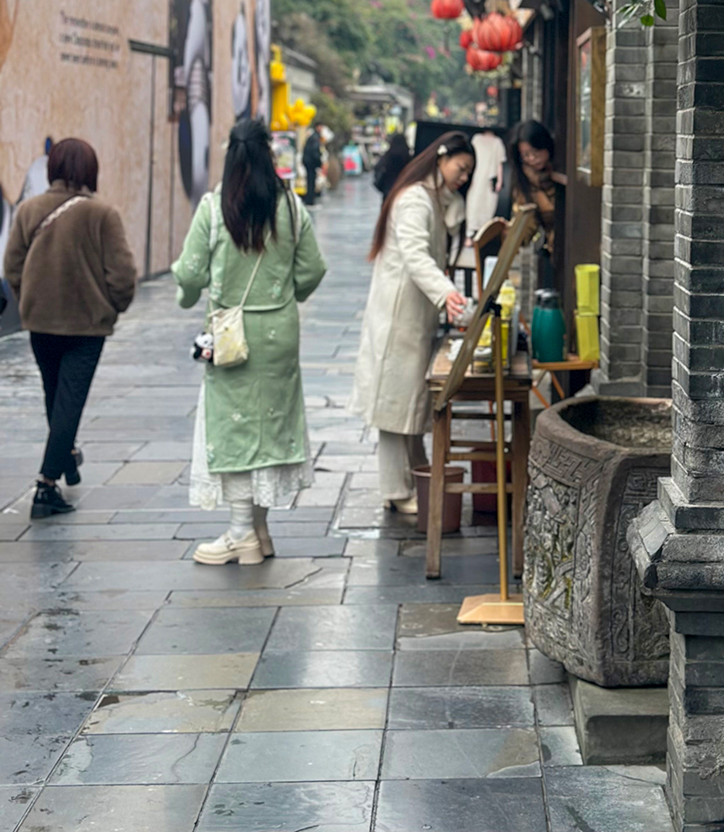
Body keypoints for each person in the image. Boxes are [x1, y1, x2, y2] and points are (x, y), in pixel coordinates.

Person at [172, 119, 327, 565]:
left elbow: (189, 273)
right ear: (268, 156)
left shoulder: (214, 208)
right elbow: (313, 269)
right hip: (279, 333)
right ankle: (260, 531)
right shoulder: (291, 208)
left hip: (230, 336)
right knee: (269, 425)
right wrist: (289, 293)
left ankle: (240, 534)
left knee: (232, 426)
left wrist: (187, 297)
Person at [2, 138, 137, 519]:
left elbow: (12, 266)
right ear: (89, 170)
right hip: (87, 326)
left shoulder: (28, 210)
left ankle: (69, 454)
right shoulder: (103, 215)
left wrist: (29, 300)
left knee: (55, 395)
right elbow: (123, 275)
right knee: (69, 400)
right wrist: (113, 306)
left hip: (40, 323)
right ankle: (46, 485)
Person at [348, 131, 475, 513]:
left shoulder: (430, 197)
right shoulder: (415, 200)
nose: (464, 177)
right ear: (441, 157)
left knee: (407, 405)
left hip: (410, 317)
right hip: (397, 318)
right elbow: (417, 257)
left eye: (469, 172)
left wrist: (452, 193)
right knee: (393, 407)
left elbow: (455, 222)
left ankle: (415, 478)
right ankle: (397, 490)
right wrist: (448, 295)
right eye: (461, 167)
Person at [496, 120, 564, 285]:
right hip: (557, 250)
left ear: (546, 145)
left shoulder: (563, 163)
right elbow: (528, 223)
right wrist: (513, 232)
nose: (532, 159)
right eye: (526, 155)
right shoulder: (525, 182)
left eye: (536, 152)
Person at [372, 133, 411, 206]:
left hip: (388, 193)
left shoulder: (387, 157)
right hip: (405, 193)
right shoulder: (408, 159)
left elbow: (377, 169)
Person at [301, 124, 323, 206]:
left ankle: (309, 200)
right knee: (311, 181)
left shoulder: (313, 137)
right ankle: (310, 200)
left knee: (309, 181)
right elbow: (315, 151)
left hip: (308, 162)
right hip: (311, 163)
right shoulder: (315, 138)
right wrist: (319, 162)